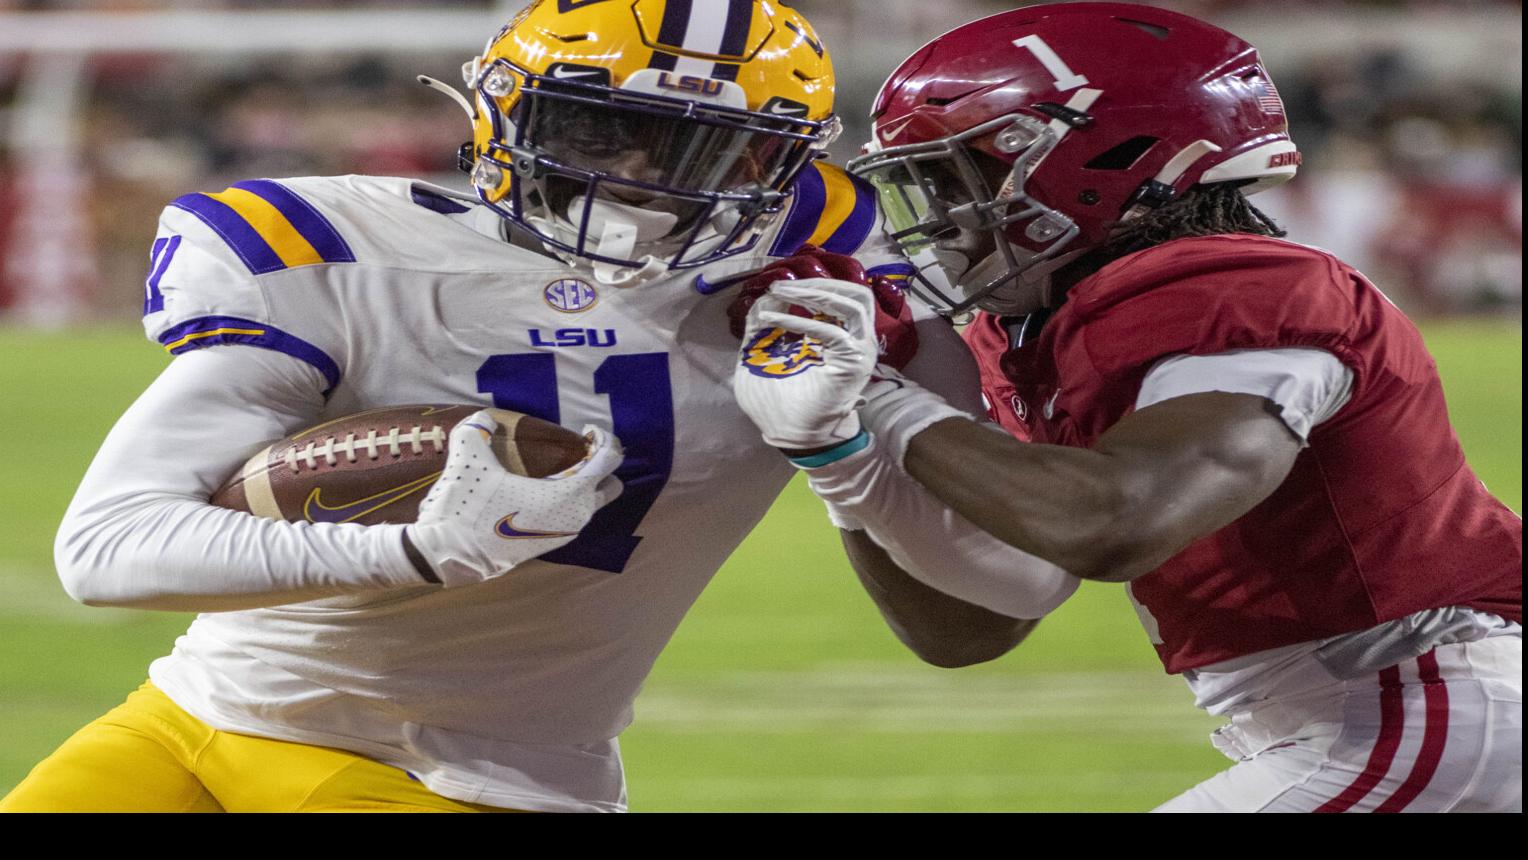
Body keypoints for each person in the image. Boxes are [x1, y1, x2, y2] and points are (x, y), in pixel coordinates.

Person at [3, 0, 1075, 814]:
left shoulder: (833, 281)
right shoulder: (341, 251)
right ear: (498, 116)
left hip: (474, 779)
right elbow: (109, 545)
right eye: (598, 129)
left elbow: (1004, 596)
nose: (644, 179)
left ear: (782, 159)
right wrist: (416, 548)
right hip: (185, 723)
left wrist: (841, 439)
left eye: (704, 149)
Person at [732, 3, 1521, 812]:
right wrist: (837, 447)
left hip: (1430, 705)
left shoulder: (1239, 288)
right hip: (1365, 719)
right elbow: (967, 627)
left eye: (953, 177)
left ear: (1098, 159)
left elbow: (1114, 523)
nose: (936, 218)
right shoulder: (1029, 332)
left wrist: (887, 403)